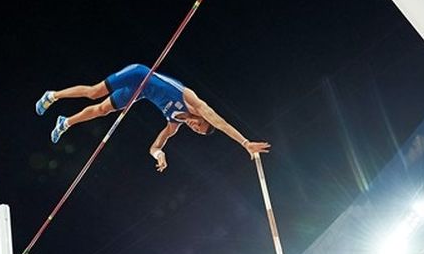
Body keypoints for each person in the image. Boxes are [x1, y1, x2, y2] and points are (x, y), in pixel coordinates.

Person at [35, 63, 270, 172]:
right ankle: (53, 96)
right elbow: (221, 122)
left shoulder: (173, 124)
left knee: (101, 110)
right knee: (94, 92)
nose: (195, 126)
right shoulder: (192, 101)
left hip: (139, 93)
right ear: (202, 117)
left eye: (196, 130)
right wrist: (244, 142)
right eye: (200, 124)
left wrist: (159, 154)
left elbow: (155, 145)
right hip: (139, 74)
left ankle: (65, 122)